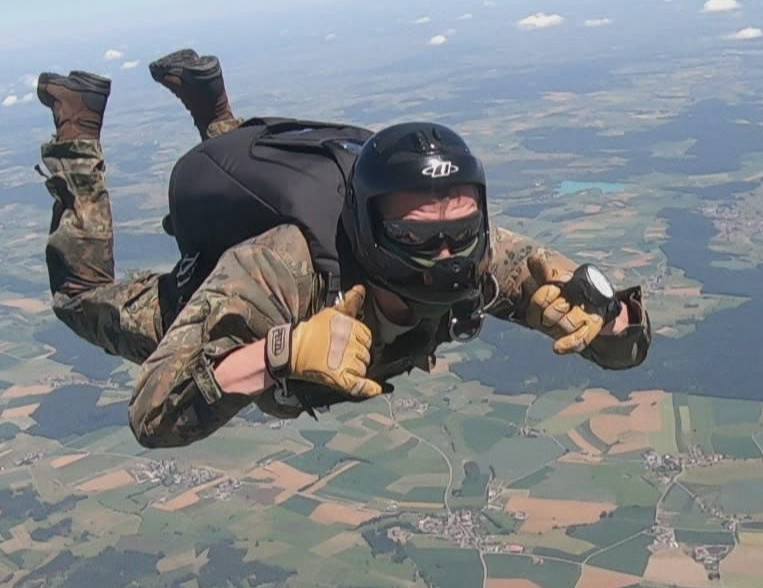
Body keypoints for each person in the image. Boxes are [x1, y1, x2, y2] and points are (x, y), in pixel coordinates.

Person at [34, 49, 653, 450]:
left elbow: (628, 352)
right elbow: (152, 415)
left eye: (459, 230)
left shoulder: (476, 252)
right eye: (415, 236)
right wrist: (276, 355)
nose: (443, 255)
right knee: (80, 299)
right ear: (369, 226)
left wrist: (607, 314)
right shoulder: (279, 268)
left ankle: (212, 106)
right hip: (227, 312)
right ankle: (77, 127)